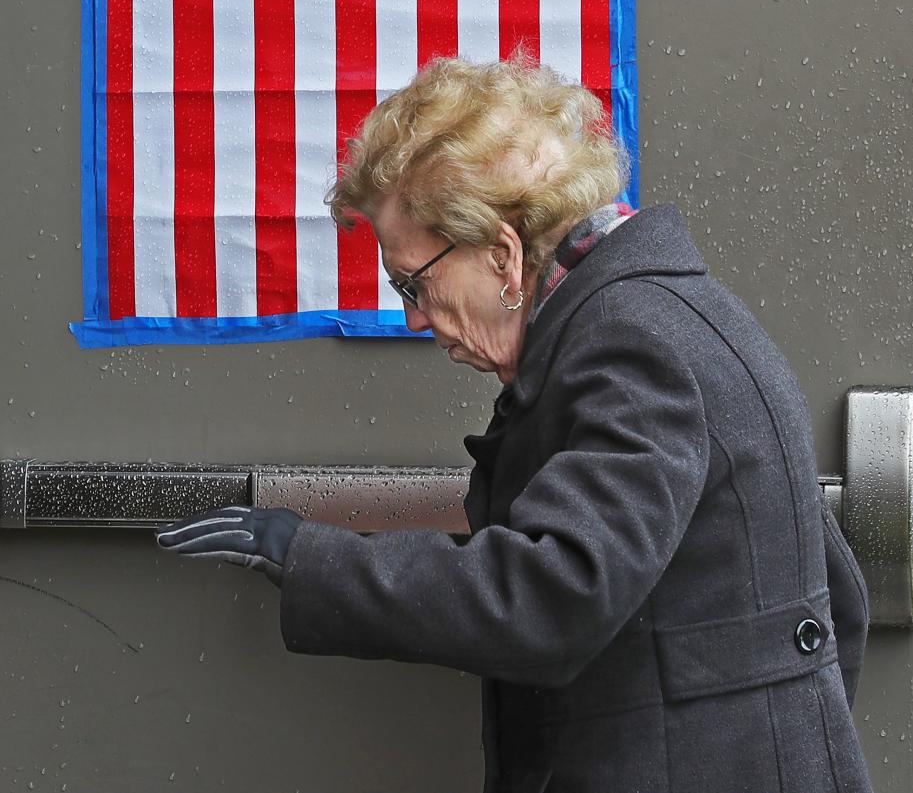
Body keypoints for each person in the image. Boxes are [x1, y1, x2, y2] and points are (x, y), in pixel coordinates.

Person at [157, 54, 874, 793]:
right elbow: (836, 603)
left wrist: (317, 557)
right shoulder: (666, 316)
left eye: (415, 281)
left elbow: (554, 597)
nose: (411, 316)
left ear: (502, 252)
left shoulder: (631, 344)